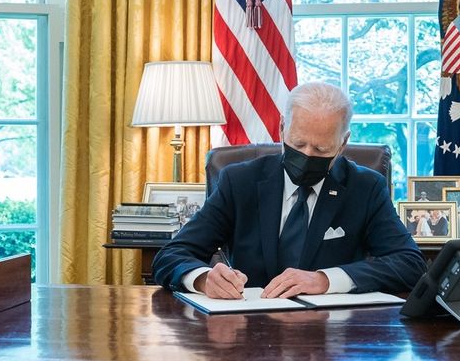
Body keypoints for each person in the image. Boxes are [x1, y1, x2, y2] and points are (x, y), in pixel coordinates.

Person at [152, 82, 425, 299]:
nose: (307, 155)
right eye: (298, 143)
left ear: (343, 144)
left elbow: (409, 264)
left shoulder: (365, 187)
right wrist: (202, 278)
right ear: (282, 128)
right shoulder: (239, 181)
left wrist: (326, 279)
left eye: (321, 150)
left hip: (334, 334)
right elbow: (171, 256)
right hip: (249, 329)